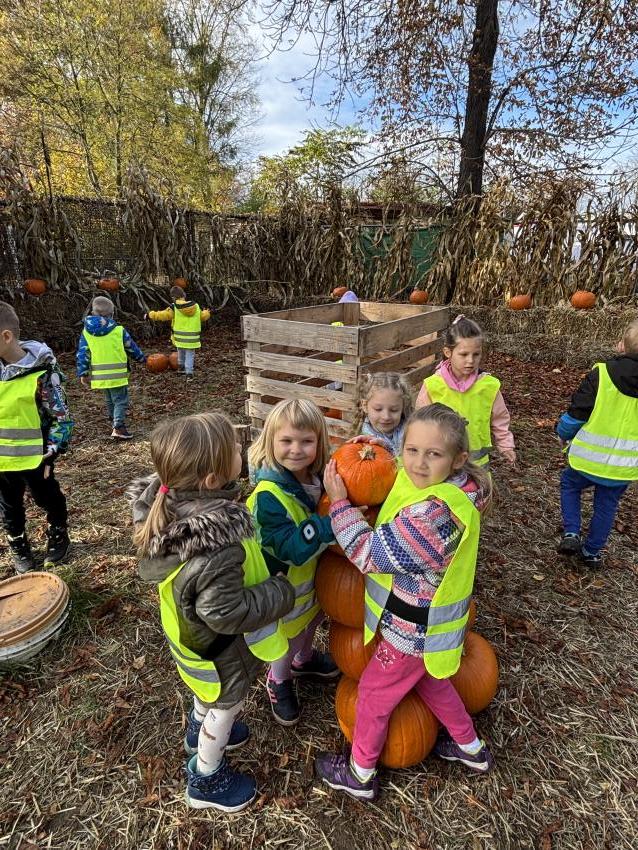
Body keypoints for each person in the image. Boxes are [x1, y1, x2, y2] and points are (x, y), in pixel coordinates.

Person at [316, 403, 493, 801]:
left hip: (412, 630)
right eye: (411, 450)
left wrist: (340, 504)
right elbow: (405, 473)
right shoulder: (460, 487)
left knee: (372, 696)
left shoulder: (432, 520)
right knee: (434, 684)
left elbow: (367, 553)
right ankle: (471, 749)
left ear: (457, 458)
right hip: (434, 627)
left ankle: (360, 773)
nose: (418, 463)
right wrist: (377, 449)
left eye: (433, 454)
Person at [127, 411, 294, 811]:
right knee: (225, 706)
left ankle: (196, 727)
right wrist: (279, 592)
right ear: (212, 480)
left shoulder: (169, 505)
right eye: (234, 448)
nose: (240, 448)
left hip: (191, 640)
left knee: (207, 693)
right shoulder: (218, 544)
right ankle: (207, 778)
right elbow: (225, 611)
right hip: (219, 651)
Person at [247, 399, 339, 726]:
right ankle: (279, 678)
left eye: (306, 441)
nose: (296, 449)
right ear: (270, 442)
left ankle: (304, 660)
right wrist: (332, 523)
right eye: (286, 440)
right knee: (289, 637)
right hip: (285, 588)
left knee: (312, 621)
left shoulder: (314, 477)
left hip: (310, 581)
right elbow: (289, 549)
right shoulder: (268, 496)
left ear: (320, 442)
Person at [557, 318, 638, 568]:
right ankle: (591, 552)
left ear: (621, 346)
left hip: (587, 460)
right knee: (607, 506)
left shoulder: (601, 374)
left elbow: (577, 413)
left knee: (569, 485)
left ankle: (572, 532)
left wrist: (562, 430)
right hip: (622, 466)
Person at [0, 301, 73, 573]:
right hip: (2, 462)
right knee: (9, 506)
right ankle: (18, 544)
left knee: (47, 496)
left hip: (36, 456)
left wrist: (53, 449)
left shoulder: (42, 372)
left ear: (6, 336)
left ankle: (58, 532)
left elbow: (61, 416)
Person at [416, 315, 516, 467]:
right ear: (448, 352)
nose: (470, 360)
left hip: (478, 462)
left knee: (476, 484)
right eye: (464, 354)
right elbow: (420, 422)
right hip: (443, 461)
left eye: (476, 354)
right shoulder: (433, 385)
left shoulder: (488, 386)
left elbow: (500, 418)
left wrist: (505, 445)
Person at [77, 296, 146, 440]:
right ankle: (118, 427)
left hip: (99, 375)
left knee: (109, 398)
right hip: (117, 374)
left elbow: (83, 353)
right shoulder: (118, 330)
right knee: (120, 400)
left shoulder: (86, 332)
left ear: (93, 313)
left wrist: (83, 373)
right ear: (111, 314)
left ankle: (113, 418)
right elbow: (131, 347)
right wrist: (142, 359)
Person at [146, 286, 210, 375]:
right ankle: (189, 374)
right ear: (184, 295)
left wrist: (150, 314)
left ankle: (181, 369)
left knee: (180, 353)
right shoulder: (195, 306)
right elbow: (203, 317)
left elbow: (163, 315)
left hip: (179, 337)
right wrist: (207, 312)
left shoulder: (174, 307)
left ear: (173, 297)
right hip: (192, 338)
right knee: (190, 355)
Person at [350, 372, 414, 456]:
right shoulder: (364, 437)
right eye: (378, 409)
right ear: (365, 406)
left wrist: (387, 448)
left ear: (403, 407)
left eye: (394, 410)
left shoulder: (410, 430)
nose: (386, 417)